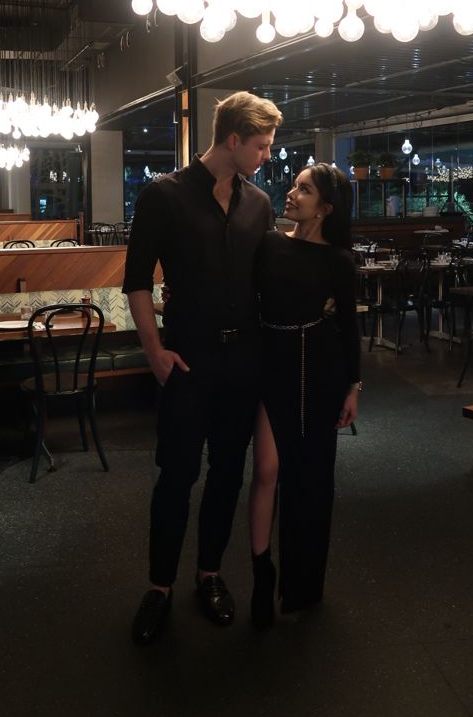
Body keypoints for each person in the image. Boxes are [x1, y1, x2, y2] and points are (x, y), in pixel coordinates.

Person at [124, 91, 283, 645]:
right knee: (177, 475)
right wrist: (154, 352)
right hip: (187, 358)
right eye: (260, 145)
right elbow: (137, 282)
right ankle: (159, 586)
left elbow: (268, 283)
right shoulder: (163, 195)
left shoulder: (259, 204)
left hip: (245, 361)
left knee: (226, 476)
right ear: (233, 140)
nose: (267, 154)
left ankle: (208, 574)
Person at [248, 163, 361, 628]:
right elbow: (243, 295)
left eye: (304, 189)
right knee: (268, 470)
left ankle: (304, 586)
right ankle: (261, 572)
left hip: (320, 368)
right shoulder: (270, 243)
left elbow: (350, 326)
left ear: (325, 208)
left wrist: (353, 386)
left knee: (314, 480)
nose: (292, 194)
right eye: (294, 185)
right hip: (270, 362)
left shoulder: (339, 260)